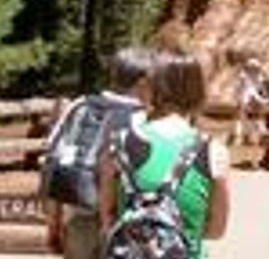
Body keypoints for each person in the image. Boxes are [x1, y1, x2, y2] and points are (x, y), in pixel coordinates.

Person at [99, 51, 230, 259]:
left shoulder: (119, 144)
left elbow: (107, 218)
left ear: (153, 88)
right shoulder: (213, 151)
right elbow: (217, 230)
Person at [42, 47, 154, 259]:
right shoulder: (145, 119)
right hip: (125, 223)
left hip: (79, 214)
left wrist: (53, 223)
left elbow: (53, 162)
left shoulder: (79, 106)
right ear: (144, 81)